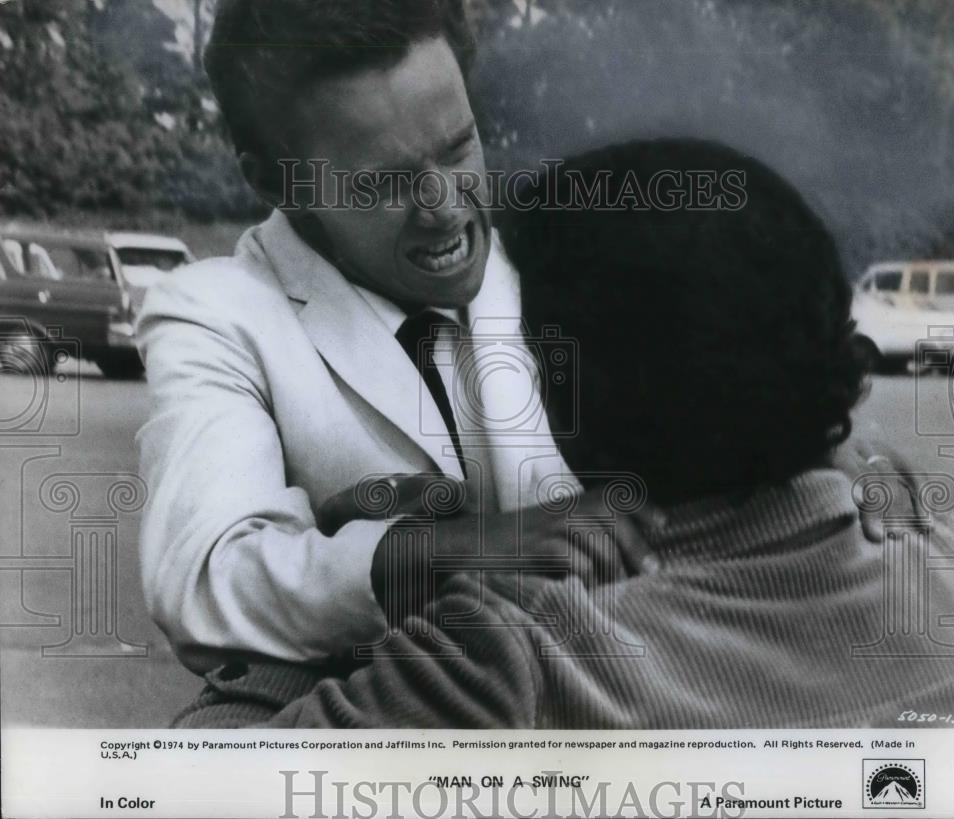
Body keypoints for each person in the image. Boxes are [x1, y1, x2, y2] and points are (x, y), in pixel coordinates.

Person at [174, 138, 954, 728]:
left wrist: (304, 620)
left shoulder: (518, 658)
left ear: (581, 421)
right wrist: (834, 448)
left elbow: (181, 790)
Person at [137, 0, 650, 678]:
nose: (444, 206)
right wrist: (423, 555)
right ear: (273, 182)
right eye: (383, 181)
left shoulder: (563, 262)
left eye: (459, 146)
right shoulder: (215, 312)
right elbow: (203, 578)